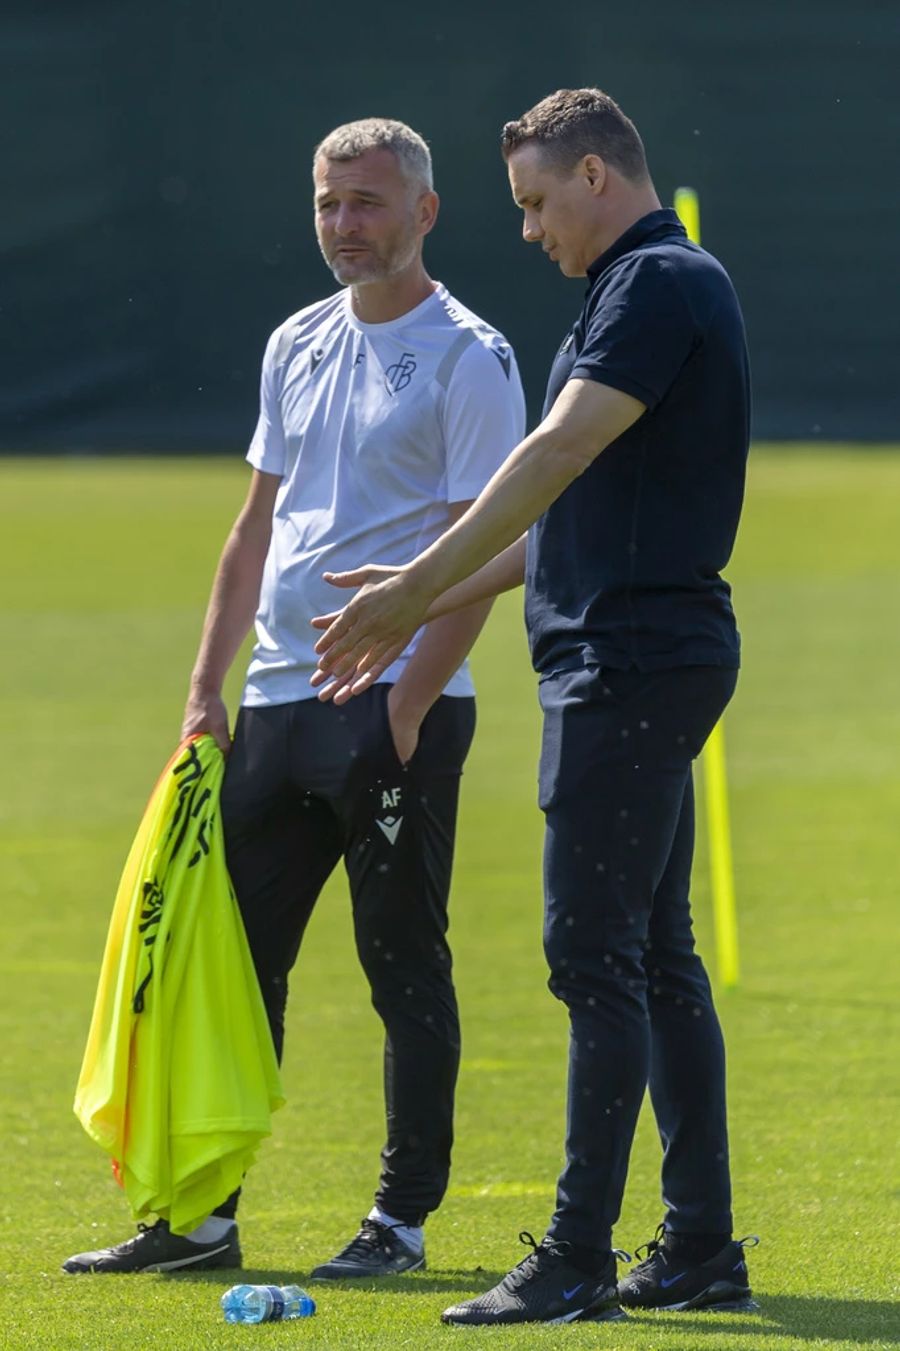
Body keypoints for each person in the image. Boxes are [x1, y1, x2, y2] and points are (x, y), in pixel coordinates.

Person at [311, 88, 756, 1326]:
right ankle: (703, 1247)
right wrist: (429, 586)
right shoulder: (634, 292)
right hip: (634, 654)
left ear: (600, 177)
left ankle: (574, 1259)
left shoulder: (657, 285)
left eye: (535, 202)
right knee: (656, 957)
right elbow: (567, 519)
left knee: (593, 960)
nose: (526, 230)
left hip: (627, 664)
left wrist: (412, 588)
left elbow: (554, 454)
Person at [63, 117, 525, 1278]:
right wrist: (201, 690)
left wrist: (410, 702)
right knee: (228, 967)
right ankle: (201, 1223)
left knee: (402, 967)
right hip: (271, 709)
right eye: (328, 204)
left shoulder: (473, 354)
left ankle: (401, 1223)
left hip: (392, 709)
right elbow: (254, 526)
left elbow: (485, 547)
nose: (344, 226)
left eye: (368, 203)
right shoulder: (295, 341)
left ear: (425, 212)